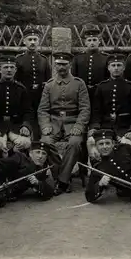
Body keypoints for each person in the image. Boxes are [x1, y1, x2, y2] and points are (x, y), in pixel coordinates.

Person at [37, 52, 90, 195]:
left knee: (74, 143)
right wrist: (45, 125)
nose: (61, 67)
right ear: (54, 65)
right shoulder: (49, 85)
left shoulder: (79, 83)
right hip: (53, 123)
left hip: (72, 123)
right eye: (58, 64)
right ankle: (62, 179)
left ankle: (61, 182)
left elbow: (85, 108)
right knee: (45, 142)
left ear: (70, 65)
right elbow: (42, 109)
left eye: (64, 64)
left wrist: (79, 126)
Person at [89, 53, 131, 150]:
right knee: (92, 142)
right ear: (108, 68)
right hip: (104, 127)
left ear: (124, 68)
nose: (116, 68)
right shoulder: (101, 87)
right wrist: (95, 127)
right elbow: (96, 111)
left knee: (126, 145)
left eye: (119, 65)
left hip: (125, 128)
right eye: (113, 65)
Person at [0, 54, 33, 157]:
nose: (9, 70)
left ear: (15, 70)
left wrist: (25, 125)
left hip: (16, 126)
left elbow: (28, 111)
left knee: (25, 143)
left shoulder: (21, 89)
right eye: (5, 67)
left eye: (12, 67)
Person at [16, 27, 52, 139]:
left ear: (39, 41)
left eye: (35, 39)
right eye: (30, 39)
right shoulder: (19, 59)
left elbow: (49, 79)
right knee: (25, 120)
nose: (32, 42)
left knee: (40, 120)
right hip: (25, 95)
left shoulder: (44, 60)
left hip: (40, 96)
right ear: (24, 41)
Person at [71, 25, 109, 106]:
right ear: (85, 42)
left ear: (99, 42)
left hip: (100, 93)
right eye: (89, 40)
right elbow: (74, 78)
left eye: (95, 40)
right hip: (82, 93)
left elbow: (108, 78)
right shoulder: (78, 58)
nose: (92, 43)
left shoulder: (106, 58)